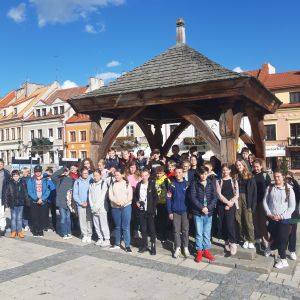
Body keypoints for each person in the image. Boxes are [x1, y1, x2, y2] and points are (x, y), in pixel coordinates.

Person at [263, 169, 296, 269]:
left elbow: (292, 207)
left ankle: (283, 260)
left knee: (282, 239)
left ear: (283, 177)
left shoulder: (289, 189)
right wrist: (269, 214)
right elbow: (265, 202)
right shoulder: (270, 188)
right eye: (275, 176)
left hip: (284, 219)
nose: (276, 178)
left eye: (278, 177)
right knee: (274, 236)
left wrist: (281, 216)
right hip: (272, 218)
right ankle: (270, 247)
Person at [190, 166, 218, 262]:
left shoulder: (210, 183)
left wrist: (208, 208)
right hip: (198, 212)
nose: (203, 176)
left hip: (208, 212)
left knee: (207, 233)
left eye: (205, 174)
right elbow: (193, 198)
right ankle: (199, 251)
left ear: (207, 174)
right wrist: (202, 207)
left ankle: (206, 250)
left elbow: (215, 197)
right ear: (199, 174)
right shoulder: (195, 183)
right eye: (202, 174)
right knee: (199, 233)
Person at [215, 164, 239, 256]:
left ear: (229, 171)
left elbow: (236, 194)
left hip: (231, 204)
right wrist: (226, 202)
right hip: (221, 205)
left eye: (226, 170)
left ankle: (233, 242)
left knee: (230, 224)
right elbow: (219, 194)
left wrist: (230, 203)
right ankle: (226, 241)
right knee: (223, 223)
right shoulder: (219, 181)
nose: (225, 172)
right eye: (223, 170)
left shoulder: (233, 180)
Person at [167, 167, 190, 258]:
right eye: (176, 173)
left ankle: (185, 247)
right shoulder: (172, 184)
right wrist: (170, 211)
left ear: (183, 173)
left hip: (185, 211)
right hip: (175, 211)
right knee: (176, 230)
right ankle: (177, 247)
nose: (178, 174)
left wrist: (190, 211)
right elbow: (168, 199)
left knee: (185, 230)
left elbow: (190, 198)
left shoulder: (187, 184)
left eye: (180, 172)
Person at [108, 169, 133, 253]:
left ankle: (127, 245)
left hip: (126, 207)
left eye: (117, 175)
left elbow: (130, 195)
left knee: (125, 227)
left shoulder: (127, 183)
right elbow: (110, 195)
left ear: (122, 175)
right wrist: (116, 201)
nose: (116, 176)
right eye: (115, 175)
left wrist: (123, 202)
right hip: (115, 207)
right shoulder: (112, 184)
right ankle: (117, 244)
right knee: (117, 226)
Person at [134, 169, 158, 255]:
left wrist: (153, 207)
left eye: (145, 175)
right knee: (143, 229)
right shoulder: (139, 184)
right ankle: (144, 245)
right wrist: (137, 202)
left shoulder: (151, 184)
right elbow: (135, 196)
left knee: (151, 229)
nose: (144, 177)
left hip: (150, 211)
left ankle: (153, 246)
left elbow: (156, 197)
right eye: (142, 175)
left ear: (148, 176)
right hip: (141, 210)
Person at [235, 159, 257, 249]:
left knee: (248, 221)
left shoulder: (250, 176)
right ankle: (245, 239)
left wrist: (253, 205)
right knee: (239, 219)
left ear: (244, 165)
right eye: (237, 165)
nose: (238, 166)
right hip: (237, 198)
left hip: (247, 199)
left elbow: (254, 192)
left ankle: (251, 240)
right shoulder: (235, 176)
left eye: (240, 165)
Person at [52, 165, 77, 239]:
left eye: (67, 171)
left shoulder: (72, 180)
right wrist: (62, 169)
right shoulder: (59, 179)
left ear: (69, 172)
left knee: (68, 218)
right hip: (61, 202)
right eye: (65, 171)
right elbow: (53, 176)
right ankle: (64, 233)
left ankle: (69, 232)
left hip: (69, 203)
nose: (66, 172)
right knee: (63, 218)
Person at [4, 170, 30, 238]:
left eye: (17, 176)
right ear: (12, 177)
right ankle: (13, 231)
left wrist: (27, 202)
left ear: (19, 176)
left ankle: (20, 231)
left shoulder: (22, 182)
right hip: (12, 204)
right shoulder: (9, 183)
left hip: (21, 203)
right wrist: (6, 205)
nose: (16, 177)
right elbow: (6, 195)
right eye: (14, 176)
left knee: (19, 218)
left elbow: (25, 193)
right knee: (13, 218)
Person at [27, 165, 51, 237]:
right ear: (34, 172)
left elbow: (48, 190)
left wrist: (42, 198)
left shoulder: (45, 180)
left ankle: (40, 230)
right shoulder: (31, 180)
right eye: (36, 172)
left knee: (42, 216)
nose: (38, 173)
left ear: (41, 172)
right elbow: (30, 191)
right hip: (34, 201)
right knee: (35, 216)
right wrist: (37, 199)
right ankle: (35, 230)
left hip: (43, 201)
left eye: (39, 171)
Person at [252, 159, 271, 249]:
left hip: (263, 202)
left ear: (261, 166)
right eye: (254, 167)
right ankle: (258, 239)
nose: (256, 168)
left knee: (263, 222)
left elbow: (270, 188)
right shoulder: (251, 175)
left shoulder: (265, 175)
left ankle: (266, 240)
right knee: (255, 222)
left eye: (257, 167)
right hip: (254, 202)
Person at [89, 170, 110, 247]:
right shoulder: (91, 184)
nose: (95, 177)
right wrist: (92, 206)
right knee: (96, 224)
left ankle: (106, 239)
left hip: (102, 208)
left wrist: (96, 207)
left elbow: (103, 197)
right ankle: (100, 238)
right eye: (94, 175)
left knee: (103, 224)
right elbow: (90, 196)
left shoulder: (103, 184)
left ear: (100, 175)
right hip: (93, 208)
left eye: (97, 175)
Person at [73, 167, 93, 243]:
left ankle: (89, 234)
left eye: (87, 173)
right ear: (81, 173)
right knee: (82, 220)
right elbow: (75, 194)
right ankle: (84, 234)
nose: (86, 175)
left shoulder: (90, 180)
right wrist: (80, 202)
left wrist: (89, 202)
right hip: (81, 205)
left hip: (89, 204)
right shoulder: (77, 182)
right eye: (84, 173)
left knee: (89, 220)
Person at [285, 171, 300, 261]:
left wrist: (294, 182)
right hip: (284, 213)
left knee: (293, 232)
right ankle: (281, 249)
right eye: (286, 178)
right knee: (284, 231)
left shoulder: (295, 188)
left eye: (289, 178)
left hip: (294, 213)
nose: (288, 180)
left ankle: (292, 251)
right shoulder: (282, 187)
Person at [125, 162, 141, 239]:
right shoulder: (127, 176)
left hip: (137, 198)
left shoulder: (138, 177)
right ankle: (130, 231)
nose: (132, 169)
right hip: (129, 198)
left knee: (137, 216)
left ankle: (135, 231)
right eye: (131, 167)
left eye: (134, 167)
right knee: (130, 216)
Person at [155, 166, 170, 242]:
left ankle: (164, 236)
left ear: (163, 173)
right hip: (157, 203)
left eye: (160, 173)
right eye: (157, 173)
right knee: (158, 219)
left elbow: (169, 191)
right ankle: (159, 233)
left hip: (164, 202)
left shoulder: (166, 180)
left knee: (164, 220)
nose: (158, 175)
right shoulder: (154, 180)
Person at [44, 167, 56, 232]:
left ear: (51, 174)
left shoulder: (54, 180)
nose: (47, 176)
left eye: (48, 174)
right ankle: (46, 226)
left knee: (53, 214)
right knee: (46, 213)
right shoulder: (44, 180)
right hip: (46, 199)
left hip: (53, 199)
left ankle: (54, 226)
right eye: (46, 174)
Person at [0, 159, 10, 236]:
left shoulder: (6, 173)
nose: (0, 165)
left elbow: (9, 186)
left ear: (3, 165)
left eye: (1, 164)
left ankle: (2, 228)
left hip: (2, 197)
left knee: (2, 214)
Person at [21, 167, 31, 232]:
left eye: (26, 172)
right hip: (22, 198)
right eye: (23, 172)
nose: (24, 173)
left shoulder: (30, 179)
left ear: (28, 172)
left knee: (30, 212)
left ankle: (30, 224)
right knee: (24, 212)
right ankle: (26, 225)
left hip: (29, 198)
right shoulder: (20, 179)